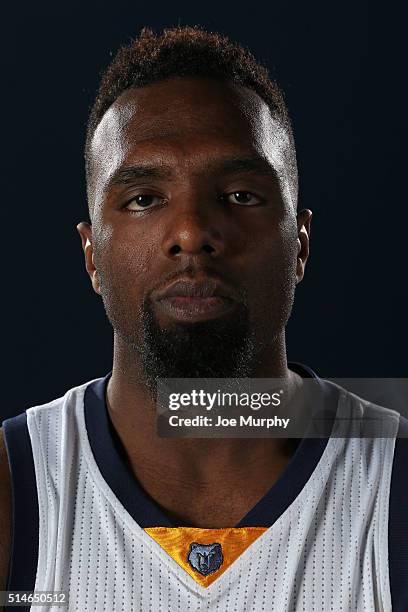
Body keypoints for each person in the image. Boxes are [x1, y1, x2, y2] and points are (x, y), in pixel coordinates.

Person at [0, 26, 406, 611]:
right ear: (91, 253)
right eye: (143, 198)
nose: (192, 232)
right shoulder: (16, 491)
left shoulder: (394, 483)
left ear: (300, 243)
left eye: (240, 194)